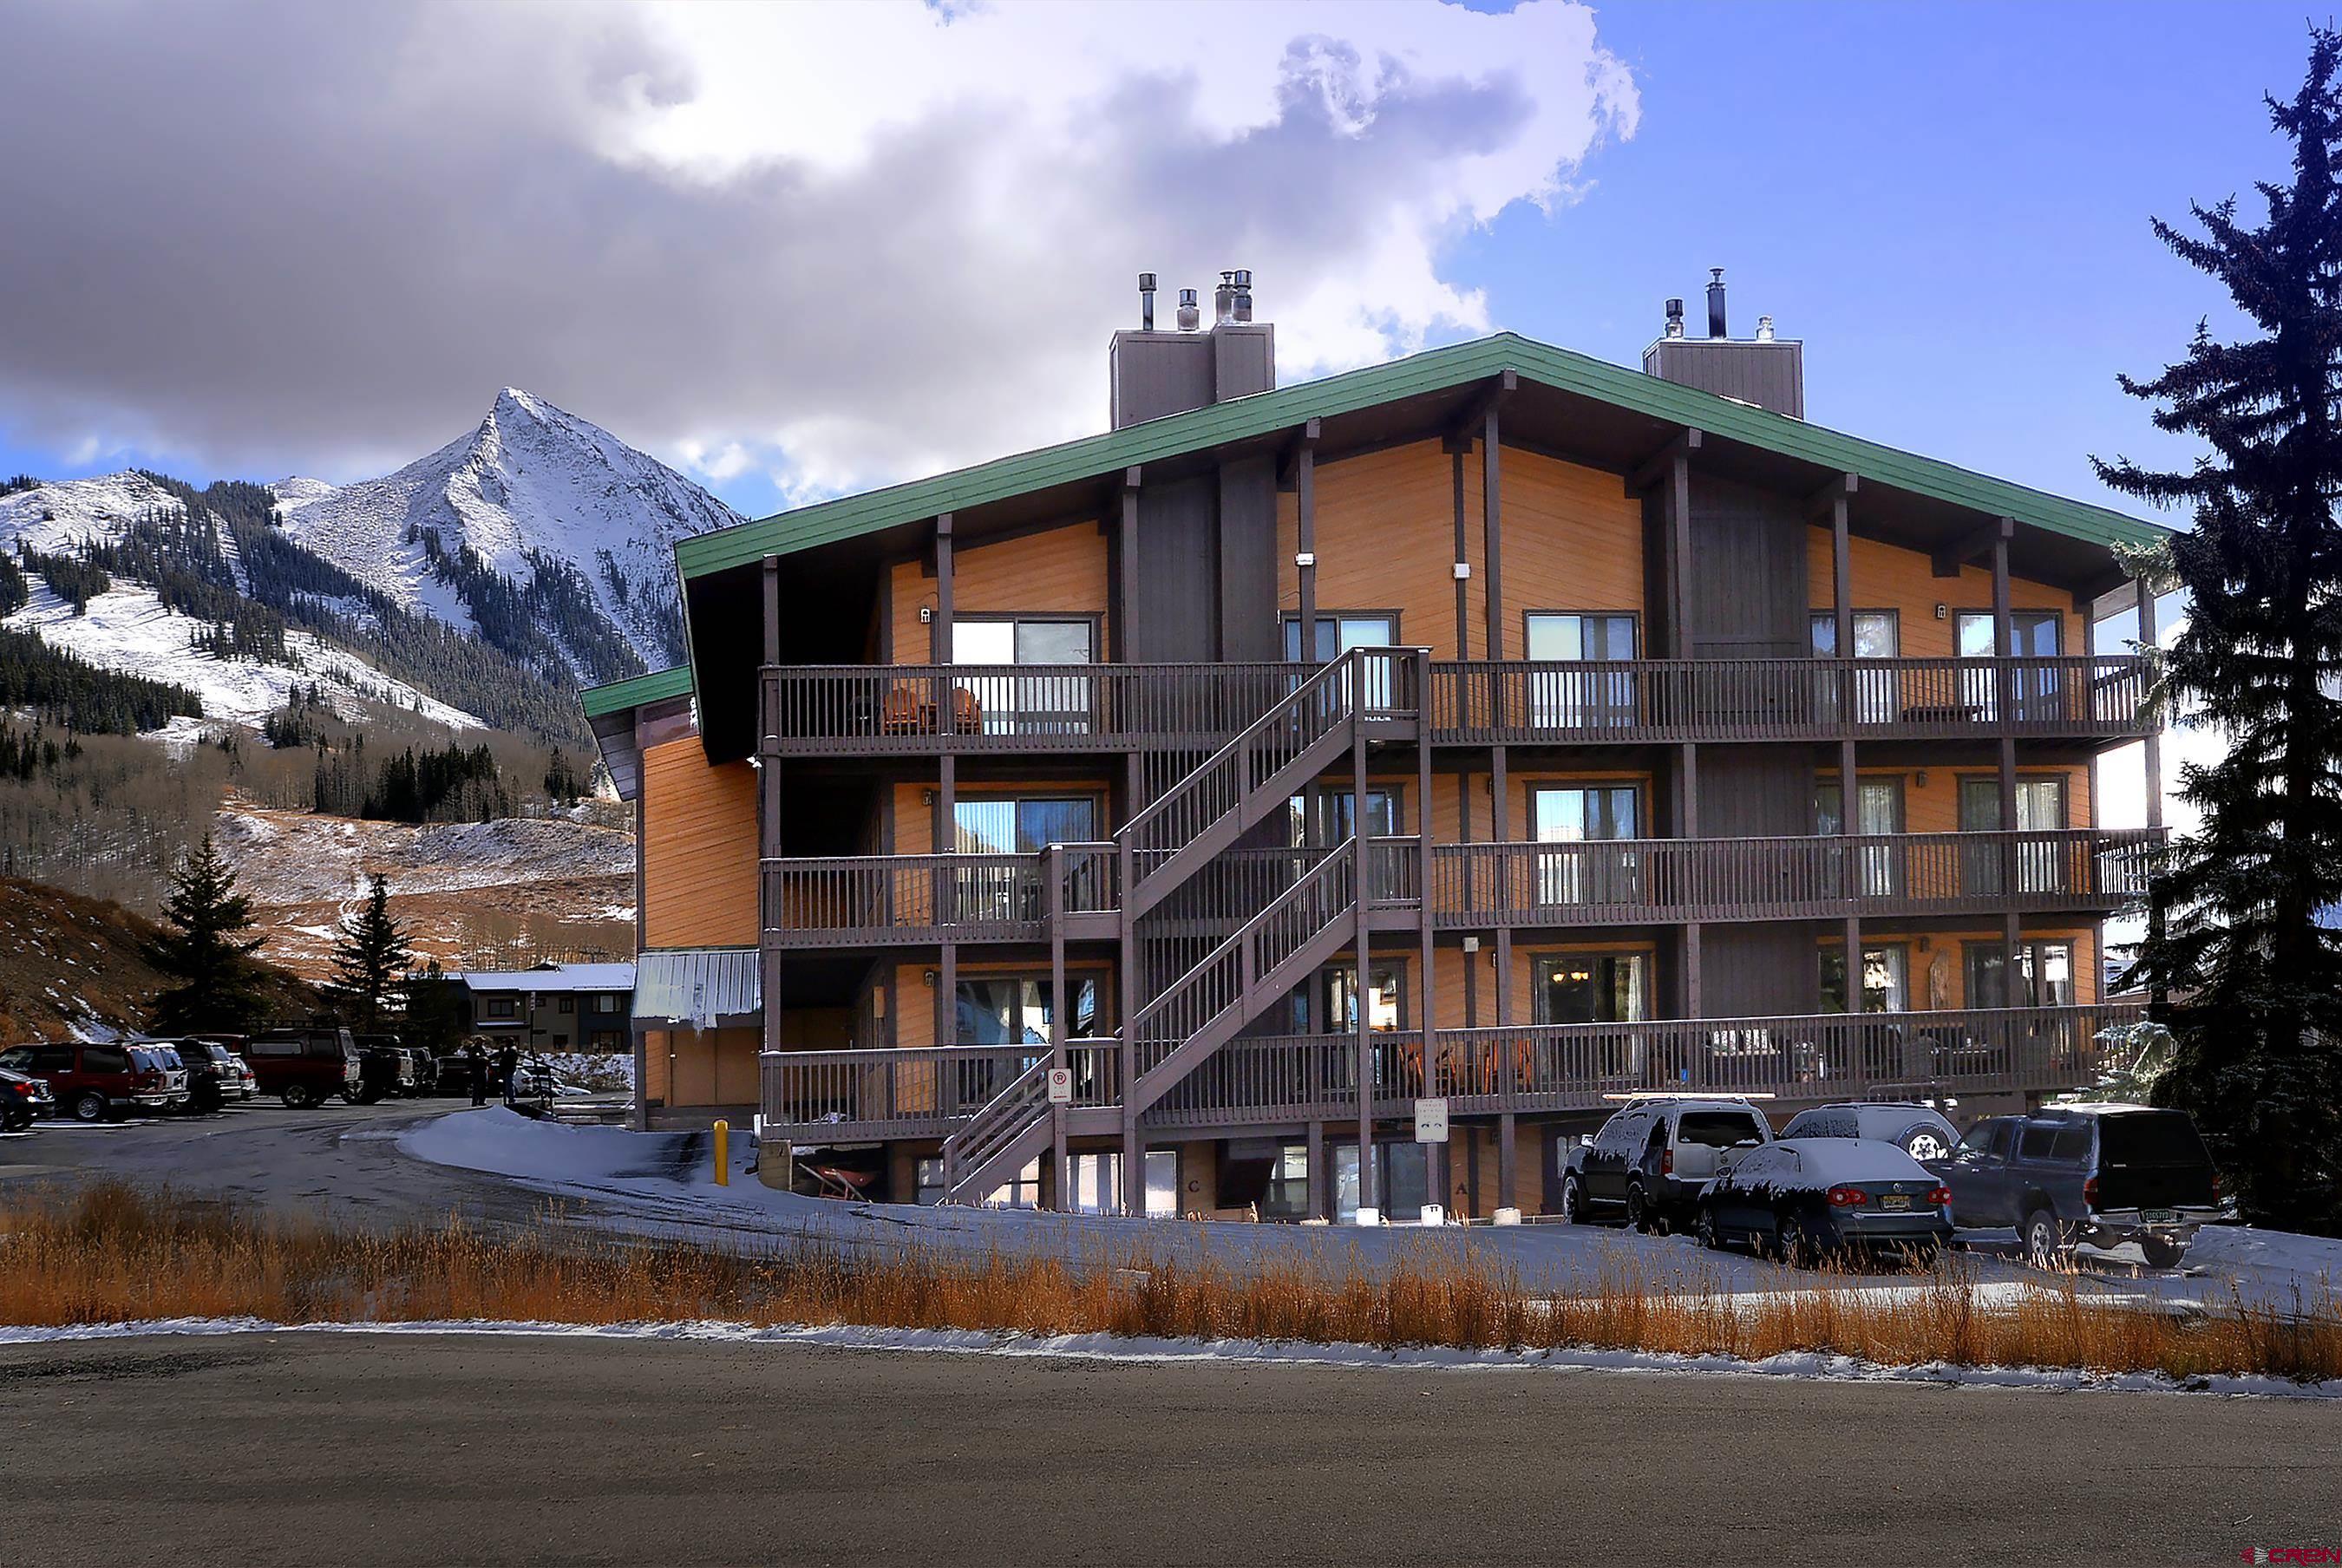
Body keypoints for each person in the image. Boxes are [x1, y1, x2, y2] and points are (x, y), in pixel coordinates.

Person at [466, 1038, 488, 1107]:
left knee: (483, 1087)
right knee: (476, 1087)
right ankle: (475, 1102)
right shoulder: (474, 1049)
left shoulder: (482, 1049)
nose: (482, 1043)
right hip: (477, 1070)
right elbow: (472, 1059)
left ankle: (482, 1101)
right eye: (481, 1041)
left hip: (483, 1069)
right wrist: (481, 1059)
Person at [496, 1042, 520, 1107]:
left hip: (508, 1069)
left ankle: (511, 1098)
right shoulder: (511, 1051)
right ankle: (511, 1097)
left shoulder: (511, 1051)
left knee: (509, 1084)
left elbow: (505, 1059)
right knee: (509, 1083)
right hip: (509, 1069)